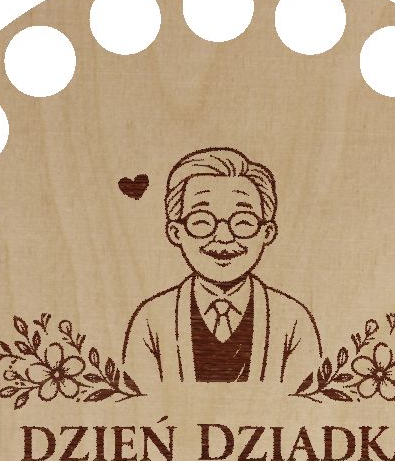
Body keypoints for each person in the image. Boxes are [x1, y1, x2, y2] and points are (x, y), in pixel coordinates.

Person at [123, 147, 321, 387]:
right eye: (202, 221)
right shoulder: (151, 319)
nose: (224, 237)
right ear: (175, 232)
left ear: (267, 232)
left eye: (243, 222)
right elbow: (133, 401)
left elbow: (310, 402)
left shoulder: (293, 320)